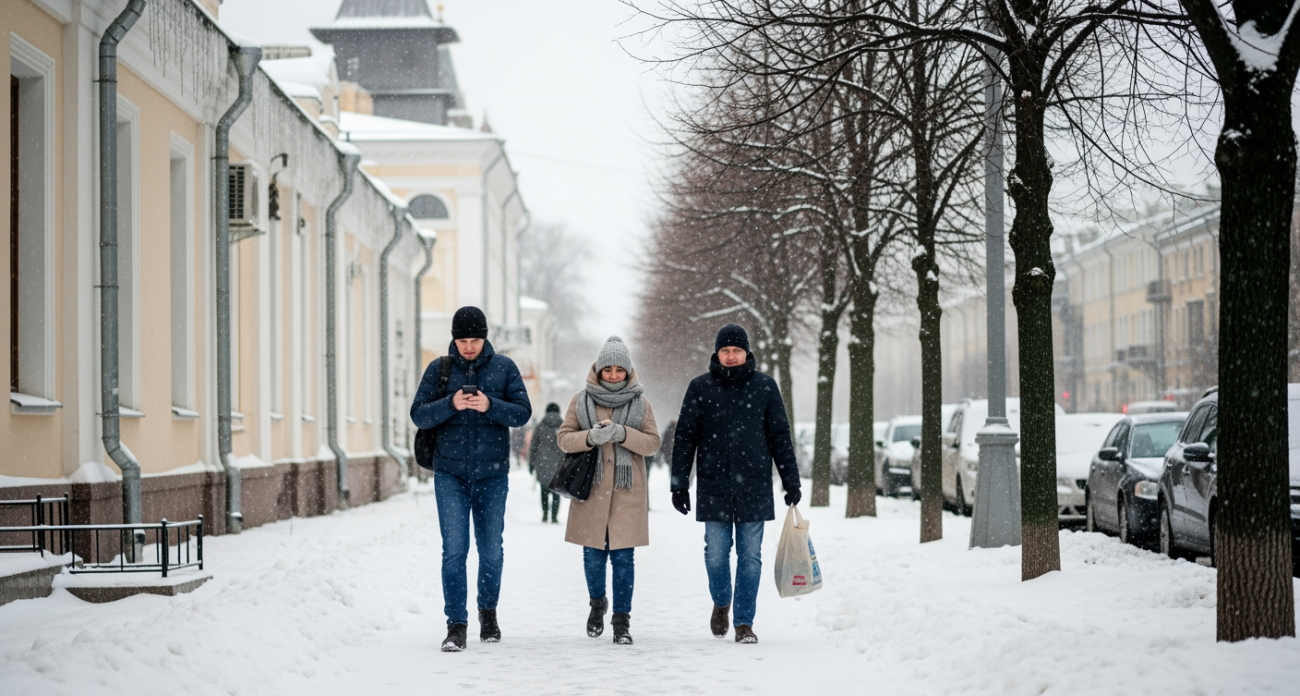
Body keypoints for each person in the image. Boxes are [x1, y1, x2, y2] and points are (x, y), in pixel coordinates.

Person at [410, 306, 533, 653]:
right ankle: (456, 626)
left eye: (474, 339)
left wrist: (489, 405)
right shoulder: (439, 370)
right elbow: (419, 414)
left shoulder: (504, 367)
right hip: (450, 474)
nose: (468, 346)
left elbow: (523, 412)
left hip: (493, 475)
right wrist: (450, 403)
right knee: (454, 551)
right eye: (462, 340)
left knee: (491, 552)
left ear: (484, 337)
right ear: (454, 339)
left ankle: (488, 612)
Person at [670, 324, 800, 644]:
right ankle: (722, 600)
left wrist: (791, 481)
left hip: (754, 485)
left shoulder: (765, 388)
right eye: (725, 351)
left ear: (746, 353)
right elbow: (685, 438)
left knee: (750, 556)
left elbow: (780, 437)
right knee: (715, 554)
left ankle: (744, 622)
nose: (731, 356)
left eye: (736, 351)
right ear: (717, 353)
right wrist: (679, 484)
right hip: (713, 484)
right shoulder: (700, 388)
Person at [557, 337, 660, 645]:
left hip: (627, 491)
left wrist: (623, 434)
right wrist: (591, 437)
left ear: (628, 371)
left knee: (624, 558)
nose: (613, 375)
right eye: (608, 370)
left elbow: (652, 443)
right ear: (598, 371)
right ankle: (597, 603)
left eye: (619, 370)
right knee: (592, 556)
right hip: (592, 489)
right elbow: (564, 439)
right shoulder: (581, 400)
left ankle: (622, 621)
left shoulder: (642, 403)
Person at [528, 403, 565, 523]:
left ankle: (545, 515)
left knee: (544, 490)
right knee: (556, 491)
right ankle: (554, 516)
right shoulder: (564, 426)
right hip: (559, 464)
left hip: (542, 463)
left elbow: (534, 445)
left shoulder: (540, 426)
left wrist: (531, 463)